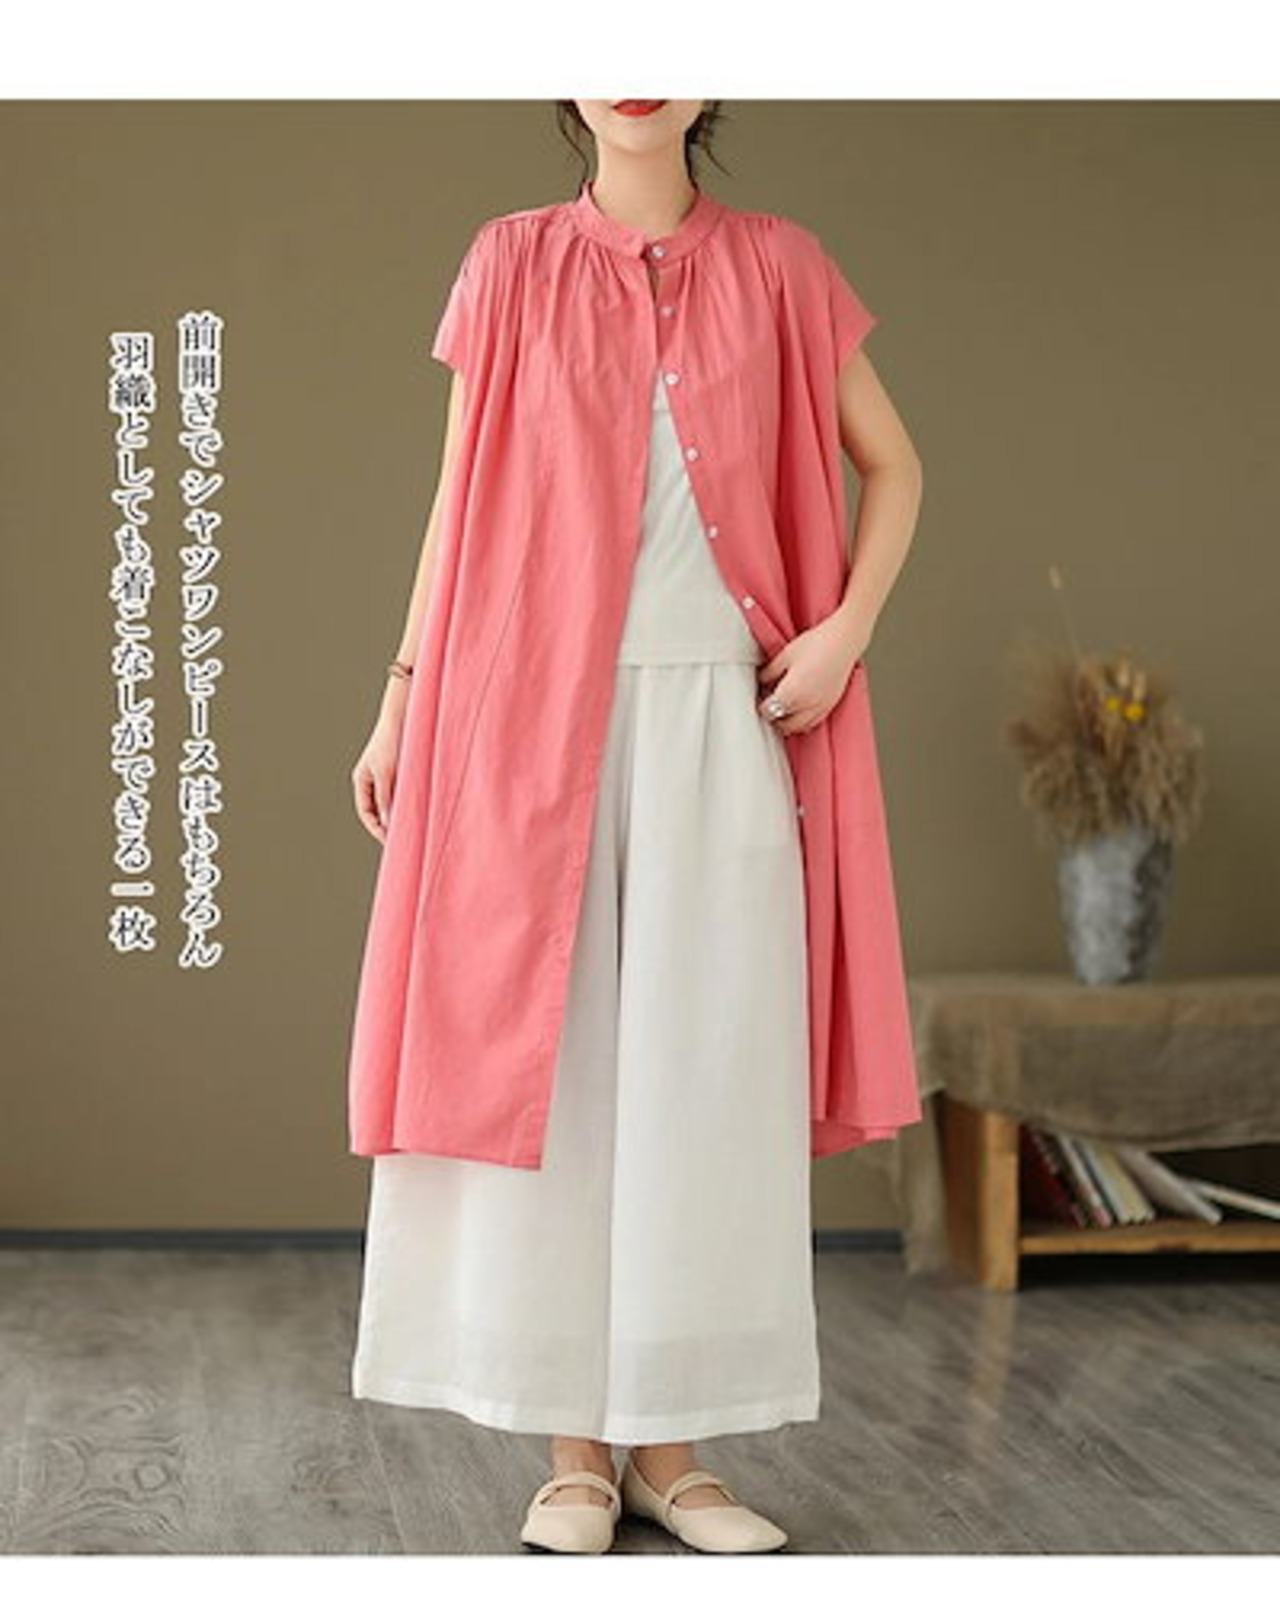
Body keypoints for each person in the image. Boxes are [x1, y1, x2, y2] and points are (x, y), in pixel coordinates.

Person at [346, 99, 924, 1555]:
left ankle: (674, 1447)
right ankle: (573, 1454)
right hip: (529, 722)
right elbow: (457, 498)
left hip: (724, 719)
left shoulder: (784, 264)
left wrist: (844, 633)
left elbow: (898, 466)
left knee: (705, 1077)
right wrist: (401, 695)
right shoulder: (509, 262)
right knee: (558, 1074)